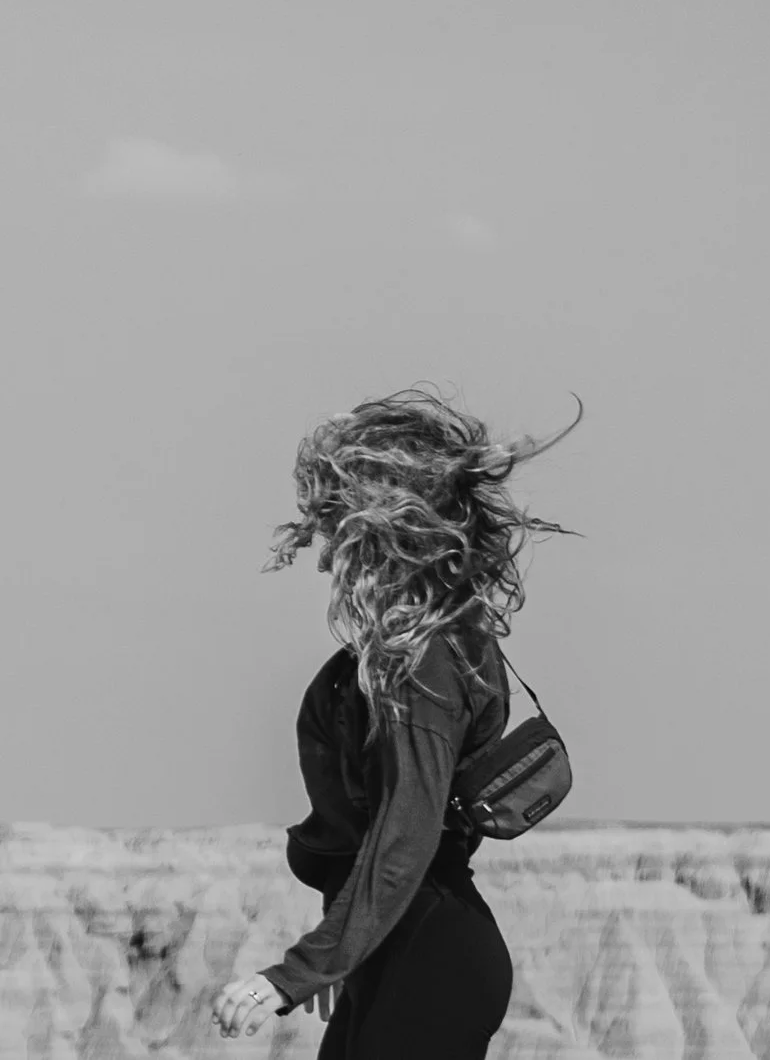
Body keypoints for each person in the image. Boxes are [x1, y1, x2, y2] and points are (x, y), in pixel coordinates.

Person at [209, 388, 580, 1059]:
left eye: (338, 519)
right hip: (396, 954)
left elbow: (403, 836)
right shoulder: (414, 650)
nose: (325, 542)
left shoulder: (427, 664)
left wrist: (299, 973)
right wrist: (339, 956)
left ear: (386, 527)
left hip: (431, 956)